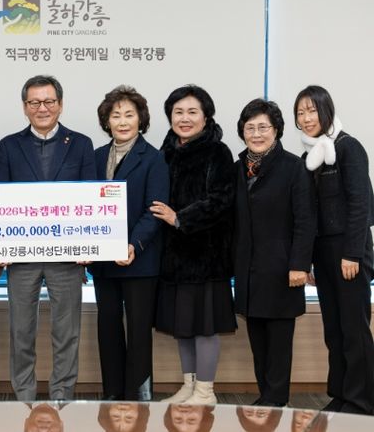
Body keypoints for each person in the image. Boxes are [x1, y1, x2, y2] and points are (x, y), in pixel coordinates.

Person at [0, 75, 95, 400]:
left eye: (49, 101)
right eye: (35, 102)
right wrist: (0, 248)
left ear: (60, 105)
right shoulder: (9, 145)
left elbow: (90, 200)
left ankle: (62, 396)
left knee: (66, 333)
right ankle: (23, 397)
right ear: (25, 107)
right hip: (21, 257)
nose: (42, 108)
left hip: (67, 257)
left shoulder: (81, 144)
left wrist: (88, 246)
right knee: (21, 332)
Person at [153, 85, 236, 405]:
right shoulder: (166, 151)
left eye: (192, 112)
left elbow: (221, 201)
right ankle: (188, 387)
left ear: (206, 116)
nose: (184, 118)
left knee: (204, 327)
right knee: (183, 326)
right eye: (178, 112)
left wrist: (180, 218)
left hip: (206, 256)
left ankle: (205, 391)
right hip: (173, 257)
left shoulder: (217, 151)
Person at [294, 85, 374, 415]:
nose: (306, 118)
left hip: (349, 251)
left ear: (326, 110)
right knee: (334, 330)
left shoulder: (348, 147)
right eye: (300, 112)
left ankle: (362, 401)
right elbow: (310, 215)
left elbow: (360, 204)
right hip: (324, 254)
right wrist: (310, 261)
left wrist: (352, 254)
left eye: (311, 110)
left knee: (354, 330)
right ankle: (341, 394)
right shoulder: (309, 157)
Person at [233, 98, 317, 407]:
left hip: (282, 270)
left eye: (263, 127)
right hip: (248, 270)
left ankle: (276, 400)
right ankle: (265, 397)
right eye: (250, 128)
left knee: (279, 342)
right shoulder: (238, 169)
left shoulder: (294, 167)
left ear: (277, 130)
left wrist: (299, 264)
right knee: (258, 341)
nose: (256, 134)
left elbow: (306, 220)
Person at [89, 85, 169, 400]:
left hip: (139, 259)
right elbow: (84, 205)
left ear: (140, 119)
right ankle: (112, 393)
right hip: (103, 260)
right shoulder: (95, 157)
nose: (122, 121)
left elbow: (155, 210)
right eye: (115, 115)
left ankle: (138, 395)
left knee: (138, 330)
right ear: (106, 121)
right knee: (108, 327)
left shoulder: (154, 158)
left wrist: (133, 243)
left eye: (129, 115)